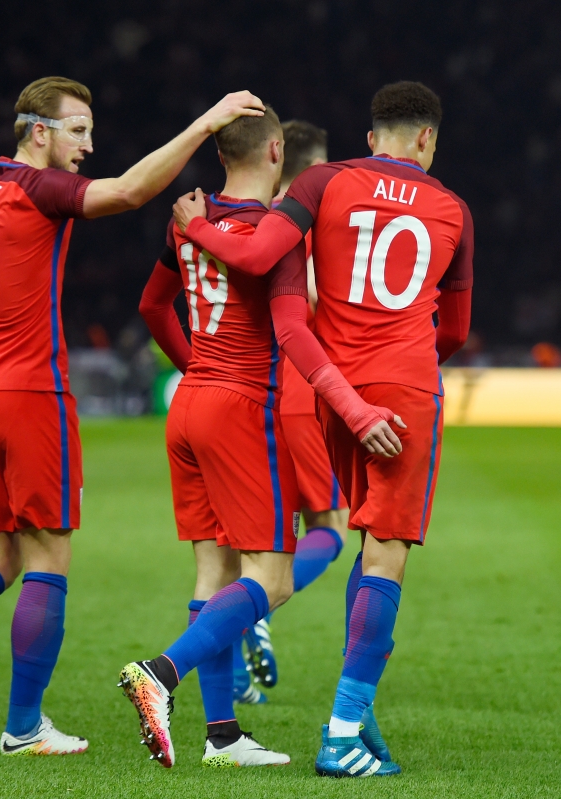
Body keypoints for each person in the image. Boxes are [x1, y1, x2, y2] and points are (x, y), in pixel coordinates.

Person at [0, 75, 264, 756]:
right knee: (48, 553)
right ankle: (23, 726)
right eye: (78, 130)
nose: (88, 144)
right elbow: (133, 191)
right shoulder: (37, 187)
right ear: (38, 131)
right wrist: (208, 122)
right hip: (29, 395)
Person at [172, 80, 473, 777]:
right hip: (403, 389)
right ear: (426, 138)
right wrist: (410, 365)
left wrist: (196, 227)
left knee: (342, 534)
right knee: (382, 553)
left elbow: (255, 259)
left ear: (371, 137)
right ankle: (341, 730)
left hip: (329, 387)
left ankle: (356, 719)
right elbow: (453, 328)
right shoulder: (453, 207)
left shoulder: (324, 182)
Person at [125, 105, 406, 771]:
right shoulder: (277, 234)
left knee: (214, 570)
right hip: (245, 406)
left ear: (223, 155)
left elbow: (150, 305)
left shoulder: (190, 220)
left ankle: (221, 735)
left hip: (188, 402)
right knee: (272, 580)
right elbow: (289, 330)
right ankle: (161, 672)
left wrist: (195, 366)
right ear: (278, 150)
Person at [232, 120, 343, 705]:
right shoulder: (309, 218)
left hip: (246, 392)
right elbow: (315, 300)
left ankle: (229, 680)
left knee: (242, 544)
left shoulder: (247, 219)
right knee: (329, 529)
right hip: (301, 387)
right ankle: (254, 612)